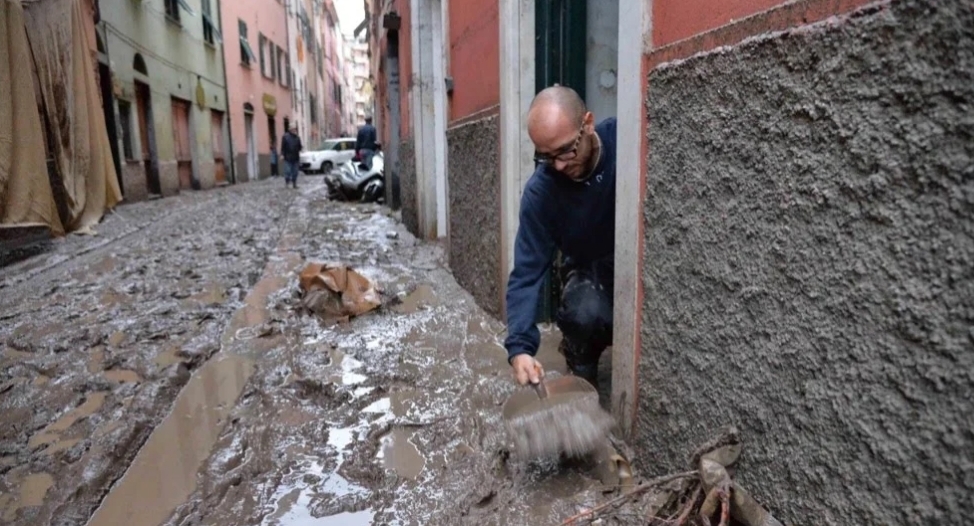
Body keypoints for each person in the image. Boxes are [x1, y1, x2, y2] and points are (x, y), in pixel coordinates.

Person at [505, 85, 617, 389]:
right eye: (546, 157)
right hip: (586, 270)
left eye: (567, 150)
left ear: (588, 124)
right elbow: (526, 274)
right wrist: (520, 348)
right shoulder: (541, 193)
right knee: (585, 314)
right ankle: (582, 369)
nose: (560, 165)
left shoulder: (625, 140)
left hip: (635, 261)